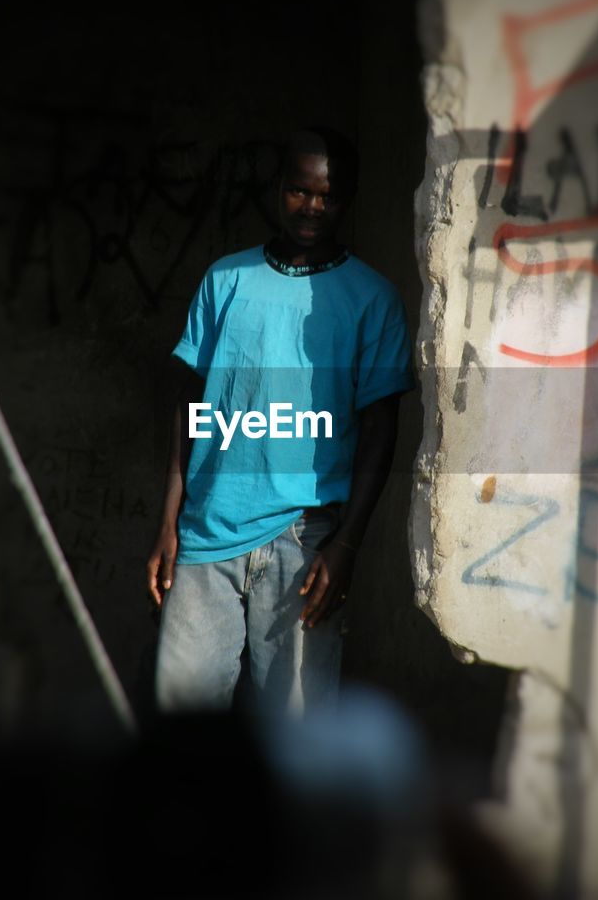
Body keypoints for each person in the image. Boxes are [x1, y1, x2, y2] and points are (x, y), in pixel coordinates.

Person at [146, 126, 413, 716]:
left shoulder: (372, 299)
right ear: (278, 189)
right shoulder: (226, 280)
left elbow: (379, 430)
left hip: (306, 541)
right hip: (206, 534)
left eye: (329, 195)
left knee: (296, 738)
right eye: (299, 190)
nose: (313, 206)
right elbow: (190, 403)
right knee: (182, 729)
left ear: (350, 199)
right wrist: (170, 520)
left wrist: (347, 544)